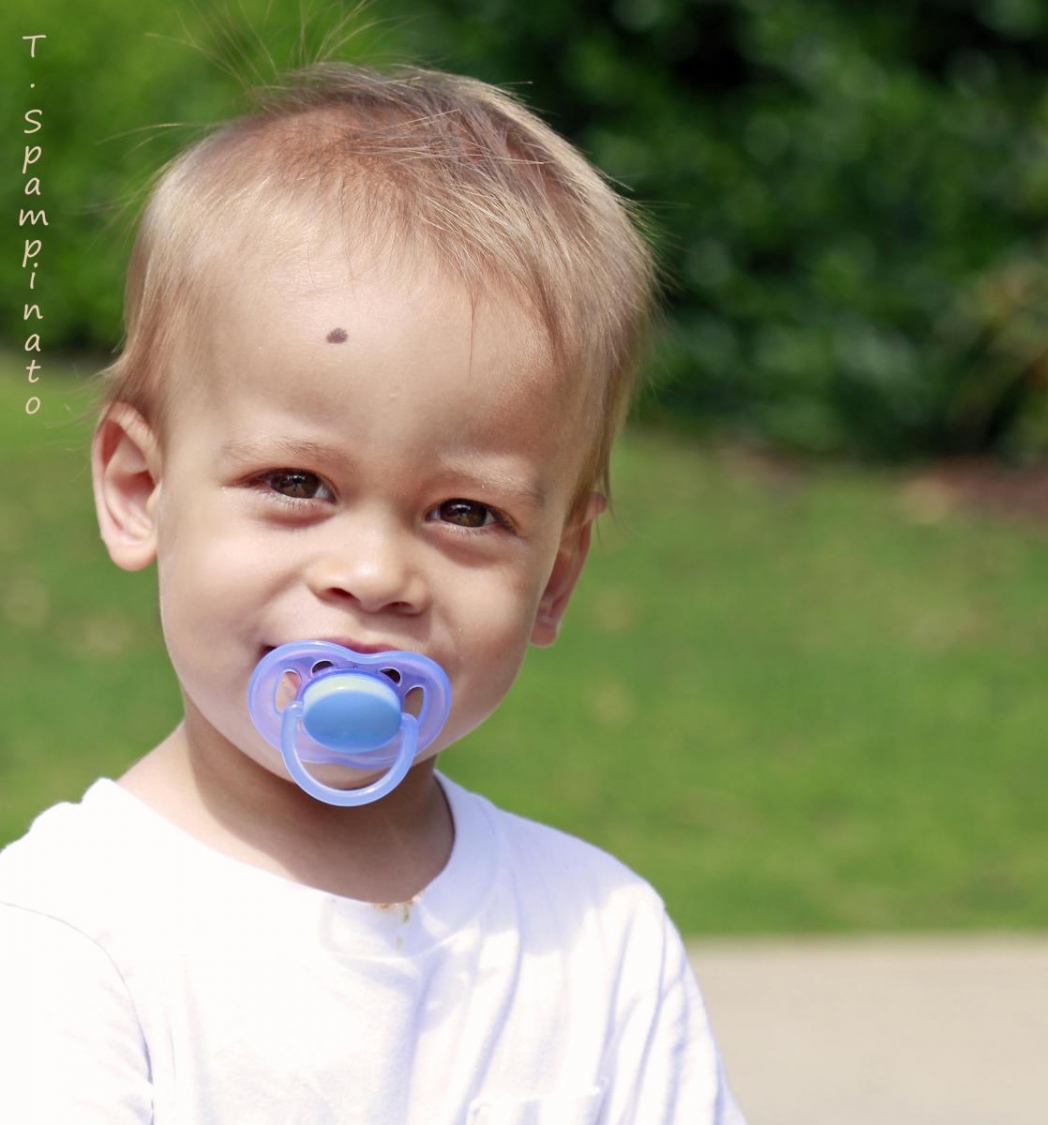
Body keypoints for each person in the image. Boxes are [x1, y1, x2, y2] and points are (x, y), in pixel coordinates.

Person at [0, 62, 744, 1122]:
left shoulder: (602, 939)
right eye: (296, 484)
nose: (376, 575)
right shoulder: (66, 935)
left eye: (466, 512)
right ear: (139, 490)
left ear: (555, 574)